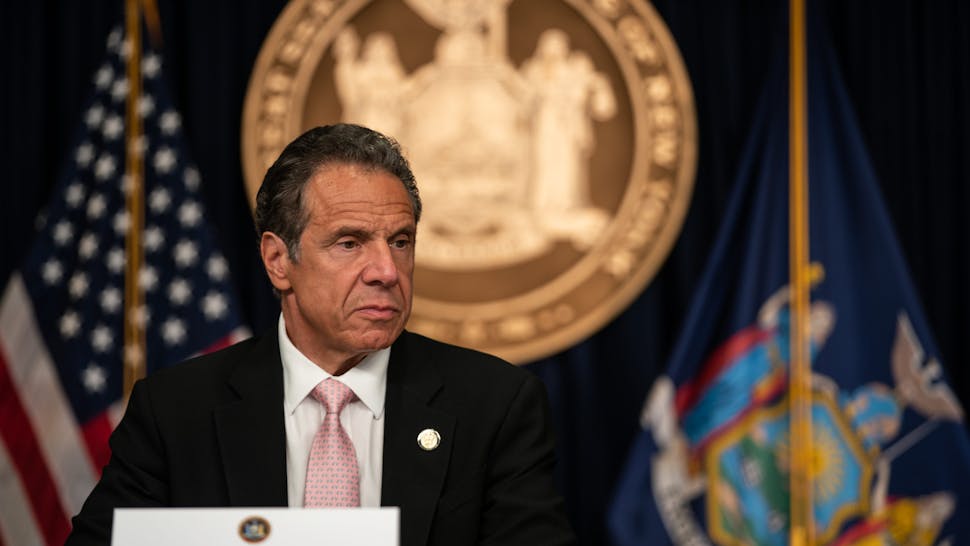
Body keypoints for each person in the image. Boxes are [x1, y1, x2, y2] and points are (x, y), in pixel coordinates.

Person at [65, 123, 576, 546]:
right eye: (350, 243)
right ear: (278, 261)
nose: (386, 270)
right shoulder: (176, 410)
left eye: (400, 242)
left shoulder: (494, 405)